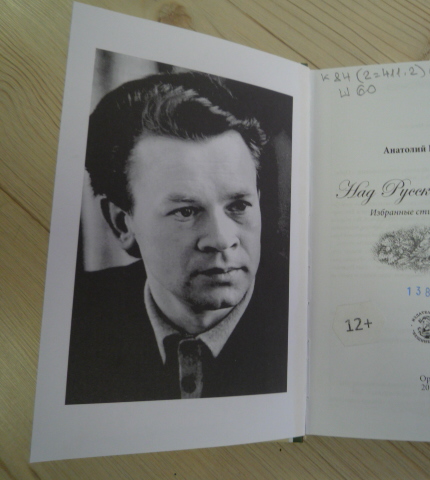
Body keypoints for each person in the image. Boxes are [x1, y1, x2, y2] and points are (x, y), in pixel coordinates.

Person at [66, 72, 289, 404]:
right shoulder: (72, 322)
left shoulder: (305, 311)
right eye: (186, 211)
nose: (221, 239)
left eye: (238, 206)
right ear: (122, 223)